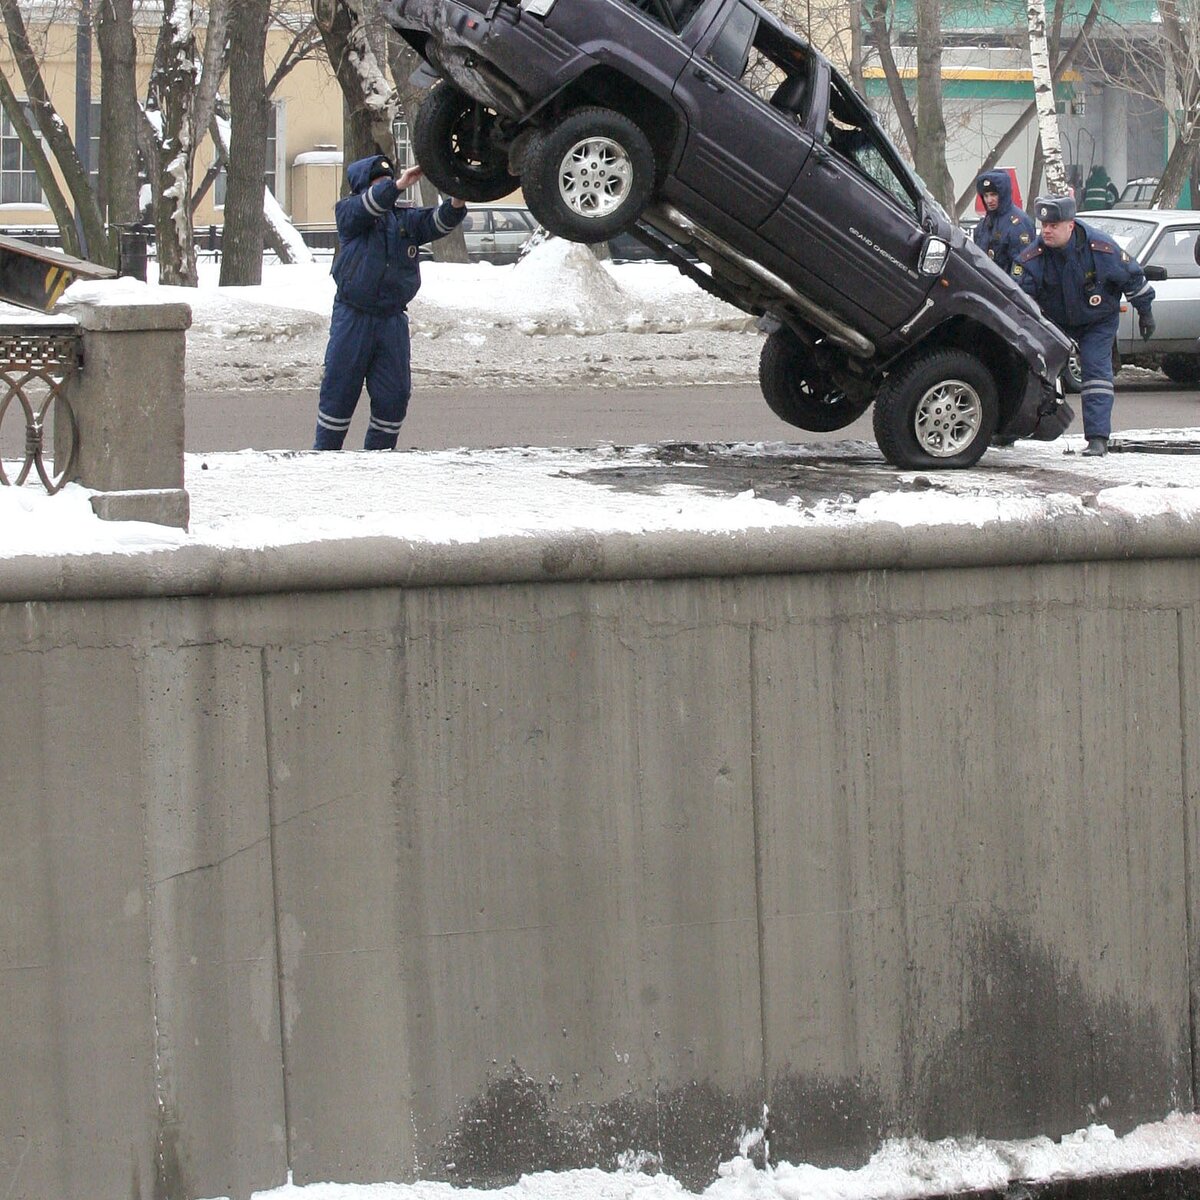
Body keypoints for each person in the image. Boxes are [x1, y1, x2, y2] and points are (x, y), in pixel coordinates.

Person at [313, 155, 467, 451]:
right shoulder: (350, 214)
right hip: (353, 318)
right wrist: (397, 185)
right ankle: (324, 461)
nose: (385, 187)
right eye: (378, 183)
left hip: (392, 321)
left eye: (387, 181)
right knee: (339, 392)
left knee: (394, 396)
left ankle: (380, 460)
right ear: (363, 187)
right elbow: (367, 206)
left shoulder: (403, 220)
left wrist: (458, 200)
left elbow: (436, 222)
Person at [1012, 193, 1155, 457]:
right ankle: (1015, 429)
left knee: (1096, 374)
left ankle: (1098, 439)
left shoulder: (1100, 248)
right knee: (1033, 370)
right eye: (1043, 226)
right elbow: (1021, 301)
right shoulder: (1032, 258)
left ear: (1070, 224)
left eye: (1053, 226)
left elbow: (1132, 277)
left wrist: (1145, 312)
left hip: (1097, 321)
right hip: (1055, 323)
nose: (1047, 231)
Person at [972, 170, 1035, 275]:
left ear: (1003, 194)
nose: (989, 200)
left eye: (993, 195)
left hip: (1007, 288)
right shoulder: (984, 224)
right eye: (986, 196)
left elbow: (1023, 267)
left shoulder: (1019, 224)